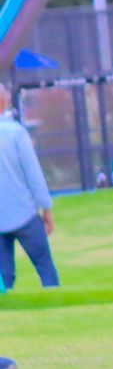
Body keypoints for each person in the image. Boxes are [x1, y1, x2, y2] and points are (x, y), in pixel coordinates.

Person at [0, 86, 57, 290]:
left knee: (4, 279)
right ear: (4, 102)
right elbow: (33, 174)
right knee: (45, 268)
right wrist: (46, 208)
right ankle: (56, 303)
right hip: (24, 213)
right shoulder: (16, 133)